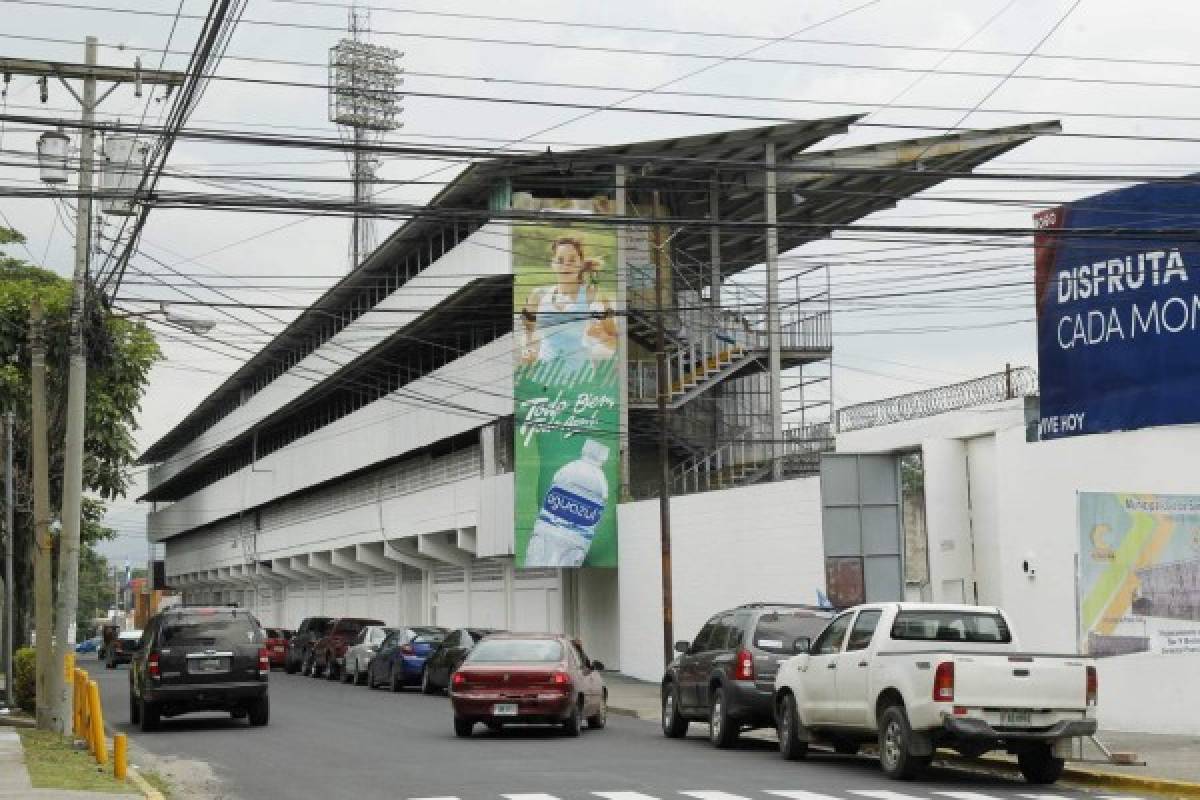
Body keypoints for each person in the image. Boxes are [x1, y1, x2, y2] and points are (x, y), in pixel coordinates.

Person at [520, 236, 617, 369]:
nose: (566, 265)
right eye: (560, 260)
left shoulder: (595, 296)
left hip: (580, 381)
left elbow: (615, 343)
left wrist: (601, 335)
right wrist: (528, 348)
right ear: (552, 264)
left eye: (572, 260)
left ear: (581, 263)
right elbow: (527, 329)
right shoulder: (538, 296)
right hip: (544, 380)